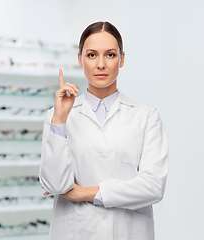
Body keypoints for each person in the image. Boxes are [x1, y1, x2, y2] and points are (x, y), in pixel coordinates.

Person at [39, 21, 169, 240]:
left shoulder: (146, 116)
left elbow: (153, 187)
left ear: (122, 58)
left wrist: (83, 193)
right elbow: (54, 184)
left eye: (110, 55)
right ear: (80, 59)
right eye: (91, 55)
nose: (101, 64)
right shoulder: (57, 116)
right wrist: (60, 120)